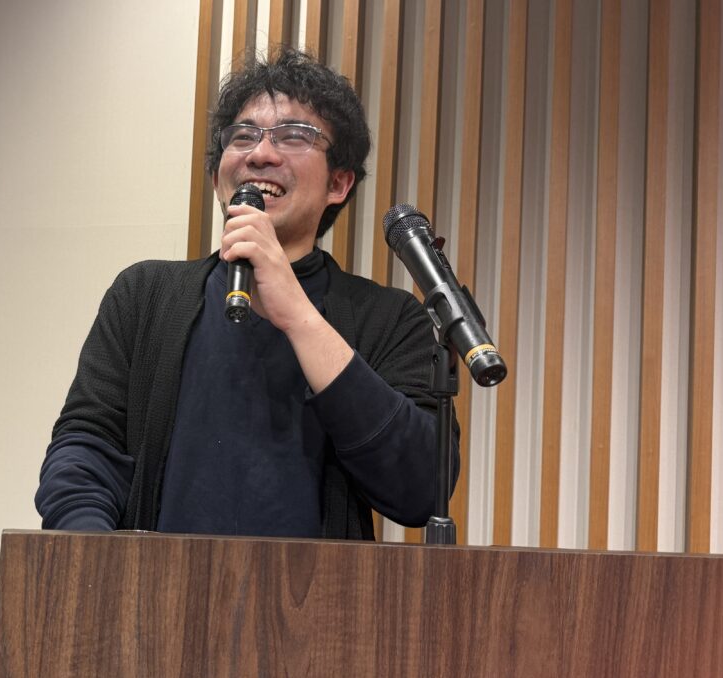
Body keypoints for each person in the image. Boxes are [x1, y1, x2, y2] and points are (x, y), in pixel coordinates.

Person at [35, 48, 459, 540]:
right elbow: (84, 450)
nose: (261, 154)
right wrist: (100, 561)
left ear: (339, 183)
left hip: (319, 592)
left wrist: (298, 313)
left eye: (293, 136)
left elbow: (421, 488)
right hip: (152, 588)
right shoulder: (143, 296)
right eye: (243, 135)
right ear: (218, 178)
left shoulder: (388, 318)